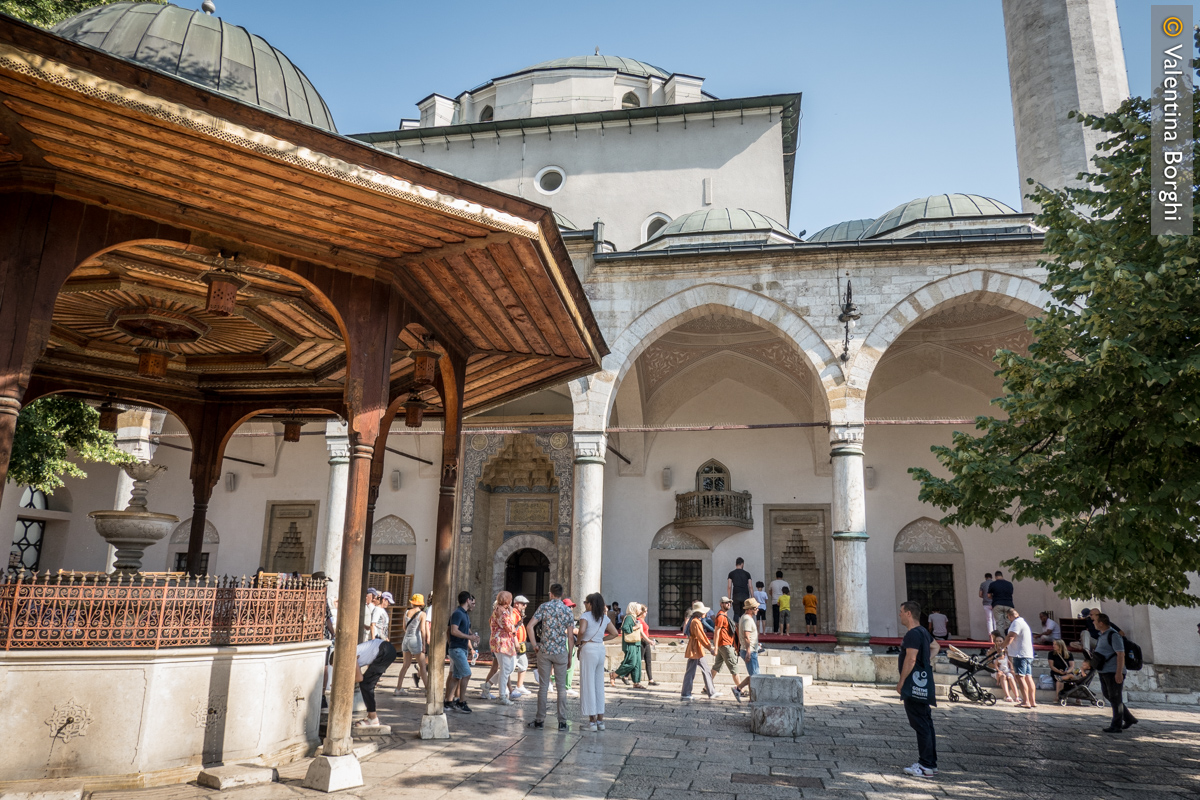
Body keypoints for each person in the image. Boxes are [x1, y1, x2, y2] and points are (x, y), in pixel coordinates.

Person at [896, 600, 939, 777]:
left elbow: (911, 659)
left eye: (901, 612)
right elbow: (936, 646)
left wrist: (901, 681)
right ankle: (930, 763)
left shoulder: (913, 634)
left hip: (914, 684)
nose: (899, 615)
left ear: (908, 613)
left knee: (920, 724)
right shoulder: (924, 632)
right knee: (926, 723)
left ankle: (925, 765)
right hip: (923, 683)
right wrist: (926, 661)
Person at [527, 583, 574, 731]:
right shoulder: (567, 611)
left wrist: (535, 644)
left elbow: (529, 626)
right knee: (561, 688)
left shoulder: (544, 607)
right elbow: (571, 636)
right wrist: (570, 655)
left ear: (551, 594)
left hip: (545, 650)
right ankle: (562, 721)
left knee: (543, 686)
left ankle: (540, 720)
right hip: (560, 651)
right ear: (561, 594)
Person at [580, 592, 620, 731]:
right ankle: (600, 721)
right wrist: (602, 639)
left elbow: (582, 630)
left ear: (591, 604)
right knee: (599, 684)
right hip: (600, 649)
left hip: (588, 648)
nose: (584, 604)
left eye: (586, 602)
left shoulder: (585, 616)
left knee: (588, 684)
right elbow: (615, 633)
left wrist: (580, 640)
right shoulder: (605, 618)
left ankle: (591, 721)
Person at [1094, 613, 1137, 733]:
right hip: (1104, 670)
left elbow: (1120, 654)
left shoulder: (1114, 635)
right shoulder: (1101, 635)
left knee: (1115, 697)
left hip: (1113, 671)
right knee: (1109, 695)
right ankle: (1129, 718)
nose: (1093, 623)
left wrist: (1119, 673)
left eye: (1095, 621)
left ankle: (1116, 725)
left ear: (1101, 623)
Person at [444, 591, 479, 714]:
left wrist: (472, 635)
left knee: (456, 676)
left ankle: (448, 701)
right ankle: (461, 701)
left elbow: (464, 628)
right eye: (472, 601)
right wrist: (469, 638)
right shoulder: (458, 613)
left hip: (461, 648)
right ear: (468, 600)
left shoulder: (464, 614)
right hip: (457, 648)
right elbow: (453, 630)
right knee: (467, 674)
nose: (473, 604)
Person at [354, 635, 397, 728]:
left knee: (366, 684)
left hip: (384, 651)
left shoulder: (350, 657)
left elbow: (359, 678)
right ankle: (370, 717)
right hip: (386, 649)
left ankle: (373, 719)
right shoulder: (354, 652)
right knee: (367, 684)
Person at [681, 601, 719, 700]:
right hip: (695, 649)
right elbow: (701, 636)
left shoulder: (695, 620)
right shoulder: (696, 622)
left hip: (696, 649)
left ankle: (711, 691)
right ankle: (686, 693)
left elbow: (701, 636)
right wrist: (710, 648)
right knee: (691, 672)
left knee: (705, 670)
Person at [394, 593, 429, 696]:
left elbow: (404, 627)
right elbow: (422, 630)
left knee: (405, 665)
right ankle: (428, 689)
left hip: (406, 639)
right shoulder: (422, 614)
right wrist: (423, 644)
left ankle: (398, 688)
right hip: (416, 639)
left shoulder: (407, 612)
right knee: (422, 666)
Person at [489, 590, 520, 705]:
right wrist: (516, 626)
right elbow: (510, 628)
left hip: (500, 641)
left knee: (507, 669)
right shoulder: (503, 612)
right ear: (508, 601)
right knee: (506, 670)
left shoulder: (497, 609)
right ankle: (502, 696)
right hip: (503, 642)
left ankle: (487, 686)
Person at [1002, 607, 1036, 708]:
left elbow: (1011, 636)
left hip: (1019, 654)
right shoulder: (1023, 622)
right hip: (1027, 654)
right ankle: (1032, 701)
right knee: (1028, 677)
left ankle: (1026, 701)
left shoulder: (1016, 623)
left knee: (1020, 677)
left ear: (1009, 616)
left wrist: (1002, 647)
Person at [709, 597, 742, 698]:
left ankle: (707, 687)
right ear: (721, 604)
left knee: (716, 667)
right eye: (726, 603)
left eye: (730, 603)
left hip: (724, 645)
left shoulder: (724, 615)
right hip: (725, 645)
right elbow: (717, 632)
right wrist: (715, 647)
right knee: (734, 667)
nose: (728, 604)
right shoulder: (720, 616)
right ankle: (741, 688)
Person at [611, 601, 646, 689]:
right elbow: (625, 628)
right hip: (630, 644)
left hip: (636, 643)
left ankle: (636, 682)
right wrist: (635, 627)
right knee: (631, 662)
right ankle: (615, 674)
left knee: (637, 663)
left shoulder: (634, 617)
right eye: (638, 609)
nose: (640, 610)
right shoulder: (629, 617)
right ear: (634, 609)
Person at [736, 597, 760, 698]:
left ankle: (739, 689)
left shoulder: (745, 618)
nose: (757, 609)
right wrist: (749, 651)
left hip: (750, 649)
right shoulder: (747, 619)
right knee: (755, 676)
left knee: (753, 675)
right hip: (748, 651)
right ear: (750, 609)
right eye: (755, 608)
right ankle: (751, 697)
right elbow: (746, 636)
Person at [989, 632, 1021, 704]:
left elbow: (1010, 662)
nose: (998, 642)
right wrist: (997, 667)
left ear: (1003, 642)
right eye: (997, 641)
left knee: (1009, 676)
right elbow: (988, 664)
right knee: (1003, 676)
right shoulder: (991, 651)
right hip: (996, 670)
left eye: (1000, 641)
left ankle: (1017, 696)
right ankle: (1007, 696)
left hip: (1006, 669)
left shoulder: (1007, 651)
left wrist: (1011, 669)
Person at [726, 557, 753, 629]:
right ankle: (743, 629)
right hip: (745, 595)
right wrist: (752, 597)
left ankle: (735, 629)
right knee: (744, 613)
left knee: (736, 613)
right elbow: (750, 586)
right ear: (742, 564)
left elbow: (729, 586)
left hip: (736, 594)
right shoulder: (747, 574)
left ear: (736, 564)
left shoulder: (731, 574)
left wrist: (729, 598)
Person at [636, 604, 658, 686]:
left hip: (646, 642)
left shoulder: (643, 620)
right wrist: (649, 640)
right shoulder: (638, 620)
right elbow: (641, 632)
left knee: (648, 661)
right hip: (642, 641)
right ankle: (626, 675)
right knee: (639, 660)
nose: (646, 613)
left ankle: (650, 679)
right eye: (645, 611)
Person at [987, 570, 1014, 636]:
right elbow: (1011, 593)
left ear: (995, 577)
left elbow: (989, 595)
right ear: (1002, 576)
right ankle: (1010, 639)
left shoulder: (993, 584)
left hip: (997, 604)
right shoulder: (1009, 584)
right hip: (1008, 605)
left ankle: (1001, 640)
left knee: (999, 624)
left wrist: (995, 598)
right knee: (1009, 622)